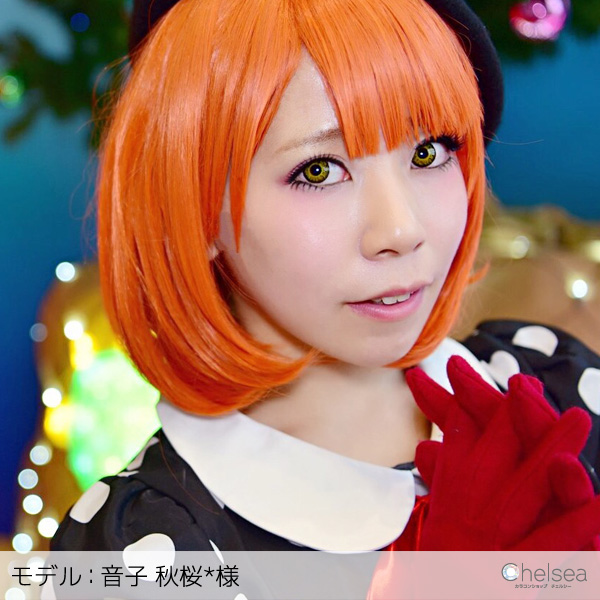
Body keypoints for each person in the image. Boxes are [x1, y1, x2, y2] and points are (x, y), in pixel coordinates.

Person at [52, 0, 600, 571]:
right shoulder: (139, 547)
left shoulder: (553, 384)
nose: (401, 230)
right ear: (195, 209)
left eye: (428, 151)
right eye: (319, 170)